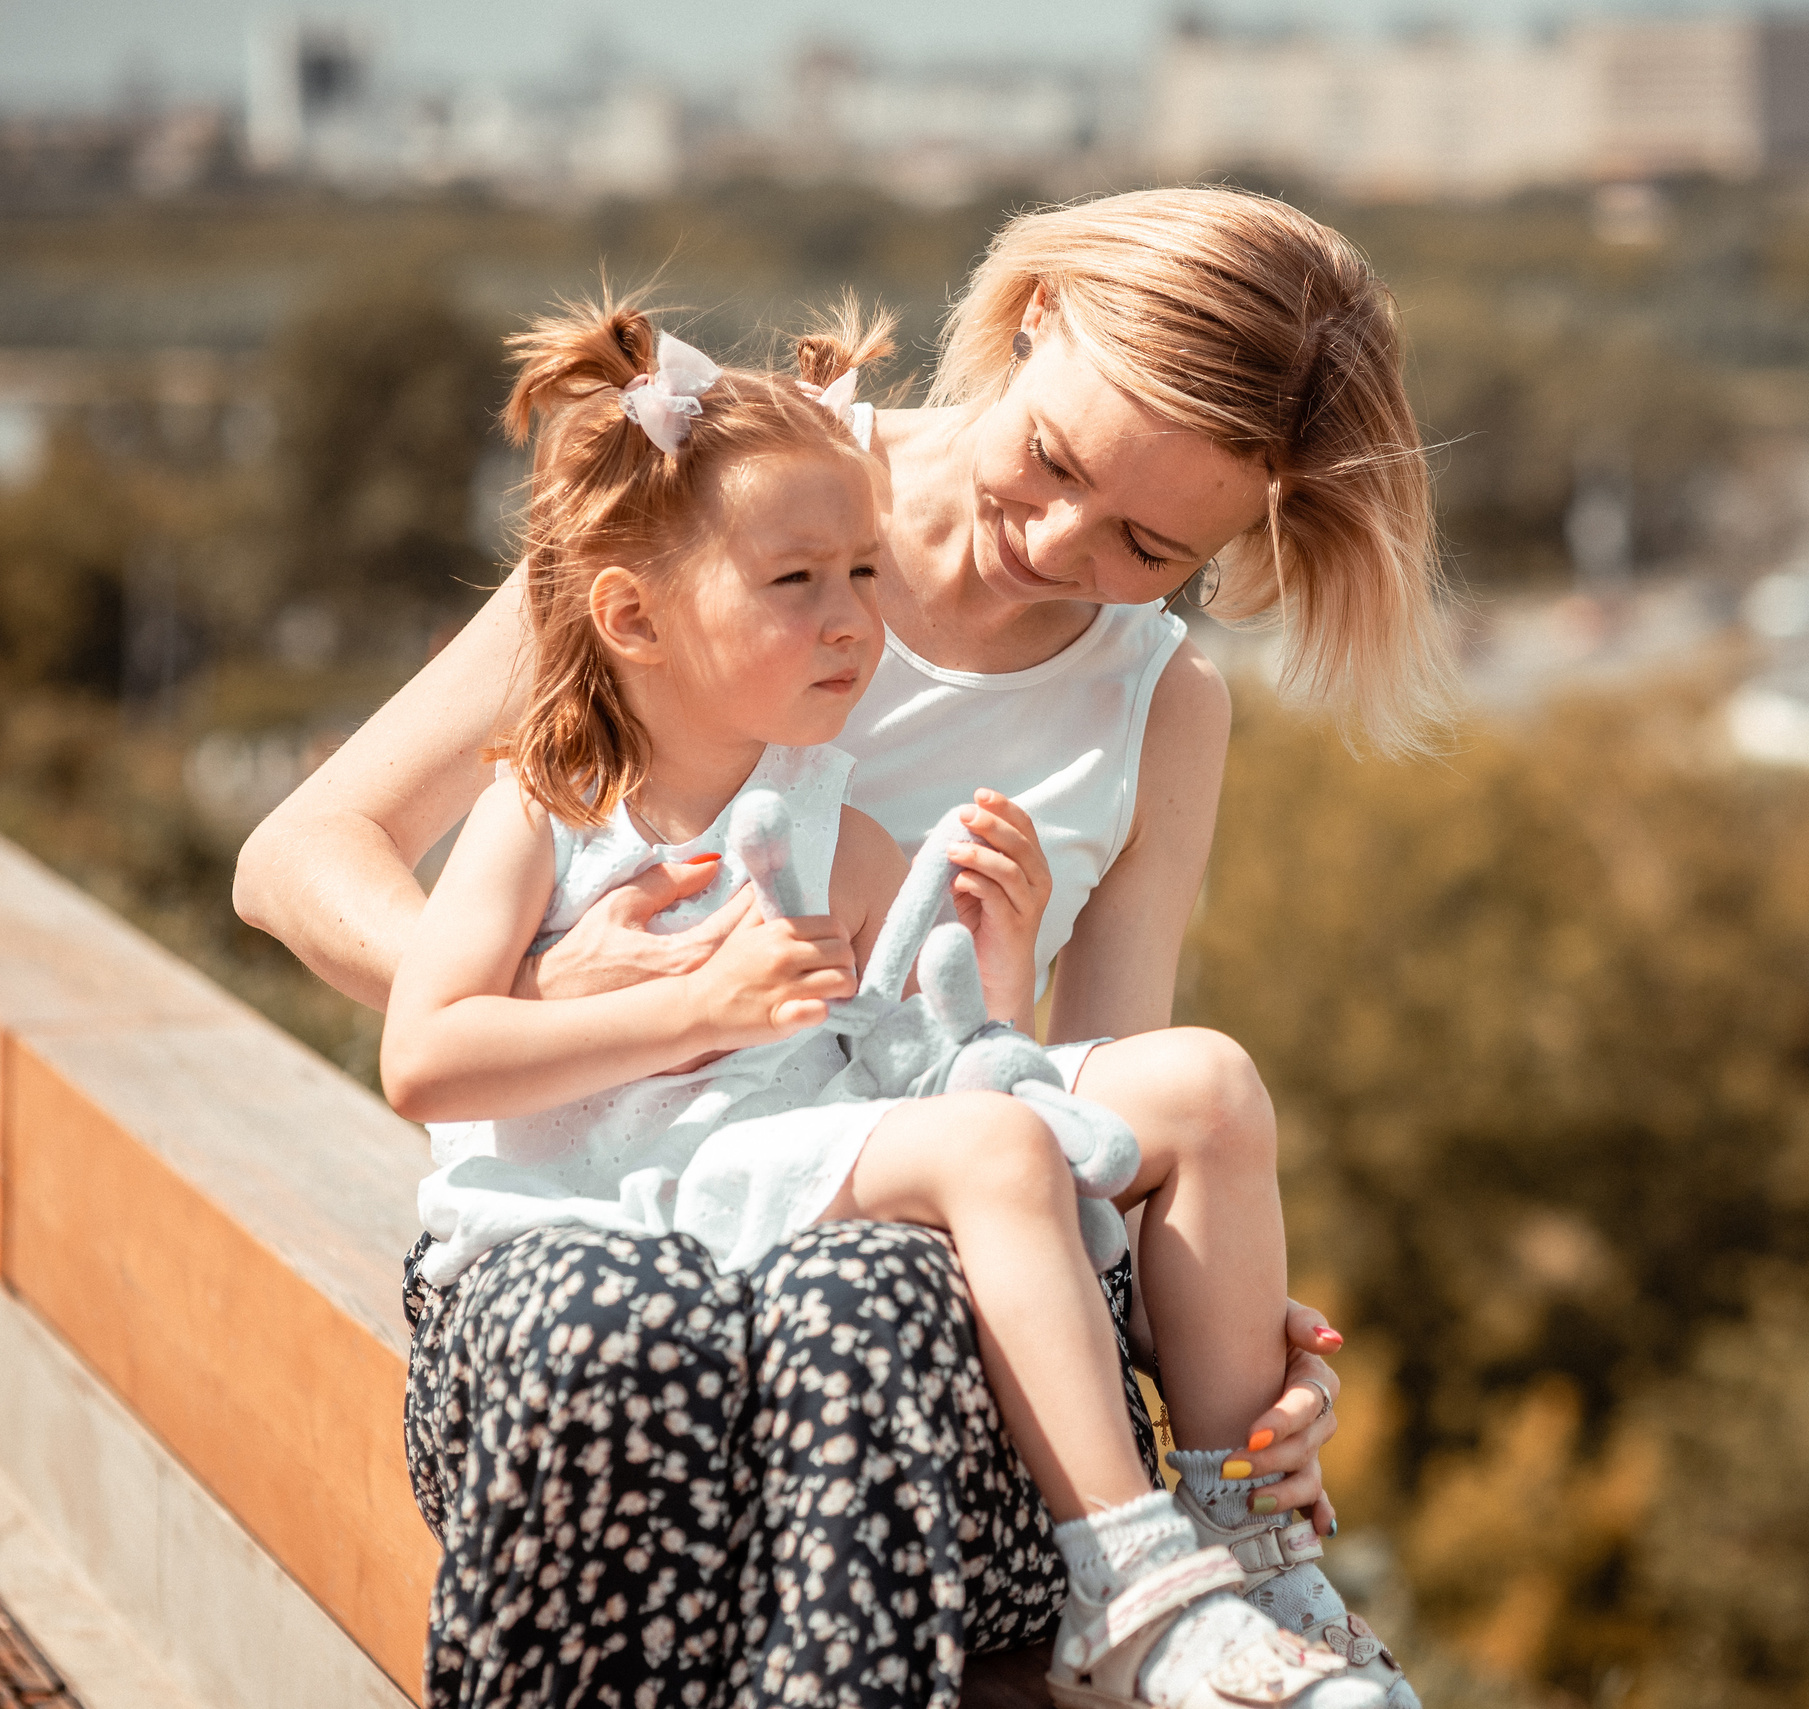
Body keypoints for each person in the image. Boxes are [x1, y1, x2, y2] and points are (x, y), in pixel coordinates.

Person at [235, 186, 1459, 1709]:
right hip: (617, 1233)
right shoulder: (737, 494)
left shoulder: (1161, 703)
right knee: (707, 1334)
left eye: (1149, 544)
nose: (1054, 545)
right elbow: (299, 852)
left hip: (915, 1280)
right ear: (1036, 317)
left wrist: (1244, 1364)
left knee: (1033, 1195)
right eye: (1053, 460)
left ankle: (1214, 1562)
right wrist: (578, 994)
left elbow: (1077, 1112)